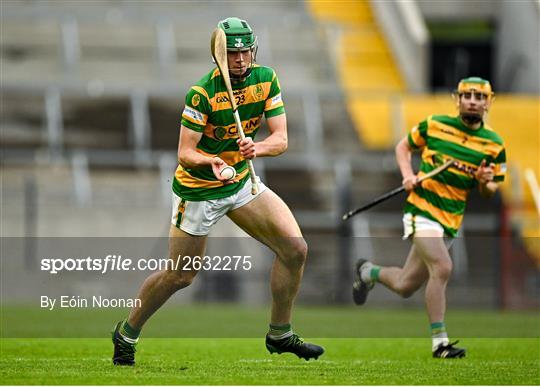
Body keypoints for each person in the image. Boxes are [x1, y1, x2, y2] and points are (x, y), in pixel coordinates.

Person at [111, 17, 324, 365]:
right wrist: (212, 162)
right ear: (218, 56)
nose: (239, 60)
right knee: (180, 275)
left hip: (241, 182)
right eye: (232, 54)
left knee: (295, 248)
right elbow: (185, 151)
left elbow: (280, 139)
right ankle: (126, 333)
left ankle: (280, 334)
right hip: (199, 190)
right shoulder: (203, 92)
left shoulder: (266, 80)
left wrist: (259, 149)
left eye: (244, 53)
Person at [352, 77, 506, 358]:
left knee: (405, 285)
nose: (473, 100)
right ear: (456, 99)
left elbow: (490, 189)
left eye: (479, 96)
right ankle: (440, 343)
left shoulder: (494, 145)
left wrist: (485, 181)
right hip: (421, 210)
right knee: (443, 267)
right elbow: (403, 147)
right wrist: (408, 175)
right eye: (467, 95)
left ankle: (367, 272)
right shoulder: (434, 125)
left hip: (450, 219)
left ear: (489, 102)